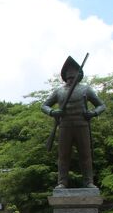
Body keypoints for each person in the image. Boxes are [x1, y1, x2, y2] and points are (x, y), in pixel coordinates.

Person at [41, 56, 106, 189]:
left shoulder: (86, 89)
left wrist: (93, 113)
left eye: (73, 76)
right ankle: (62, 182)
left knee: (85, 155)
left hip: (82, 126)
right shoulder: (59, 91)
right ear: (65, 77)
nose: (71, 79)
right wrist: (53, 112)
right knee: (63, 156)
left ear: (79, 75)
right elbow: (44, 106)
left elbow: (101, 105)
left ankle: (88, 182)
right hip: (65, 127)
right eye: (68, 77)